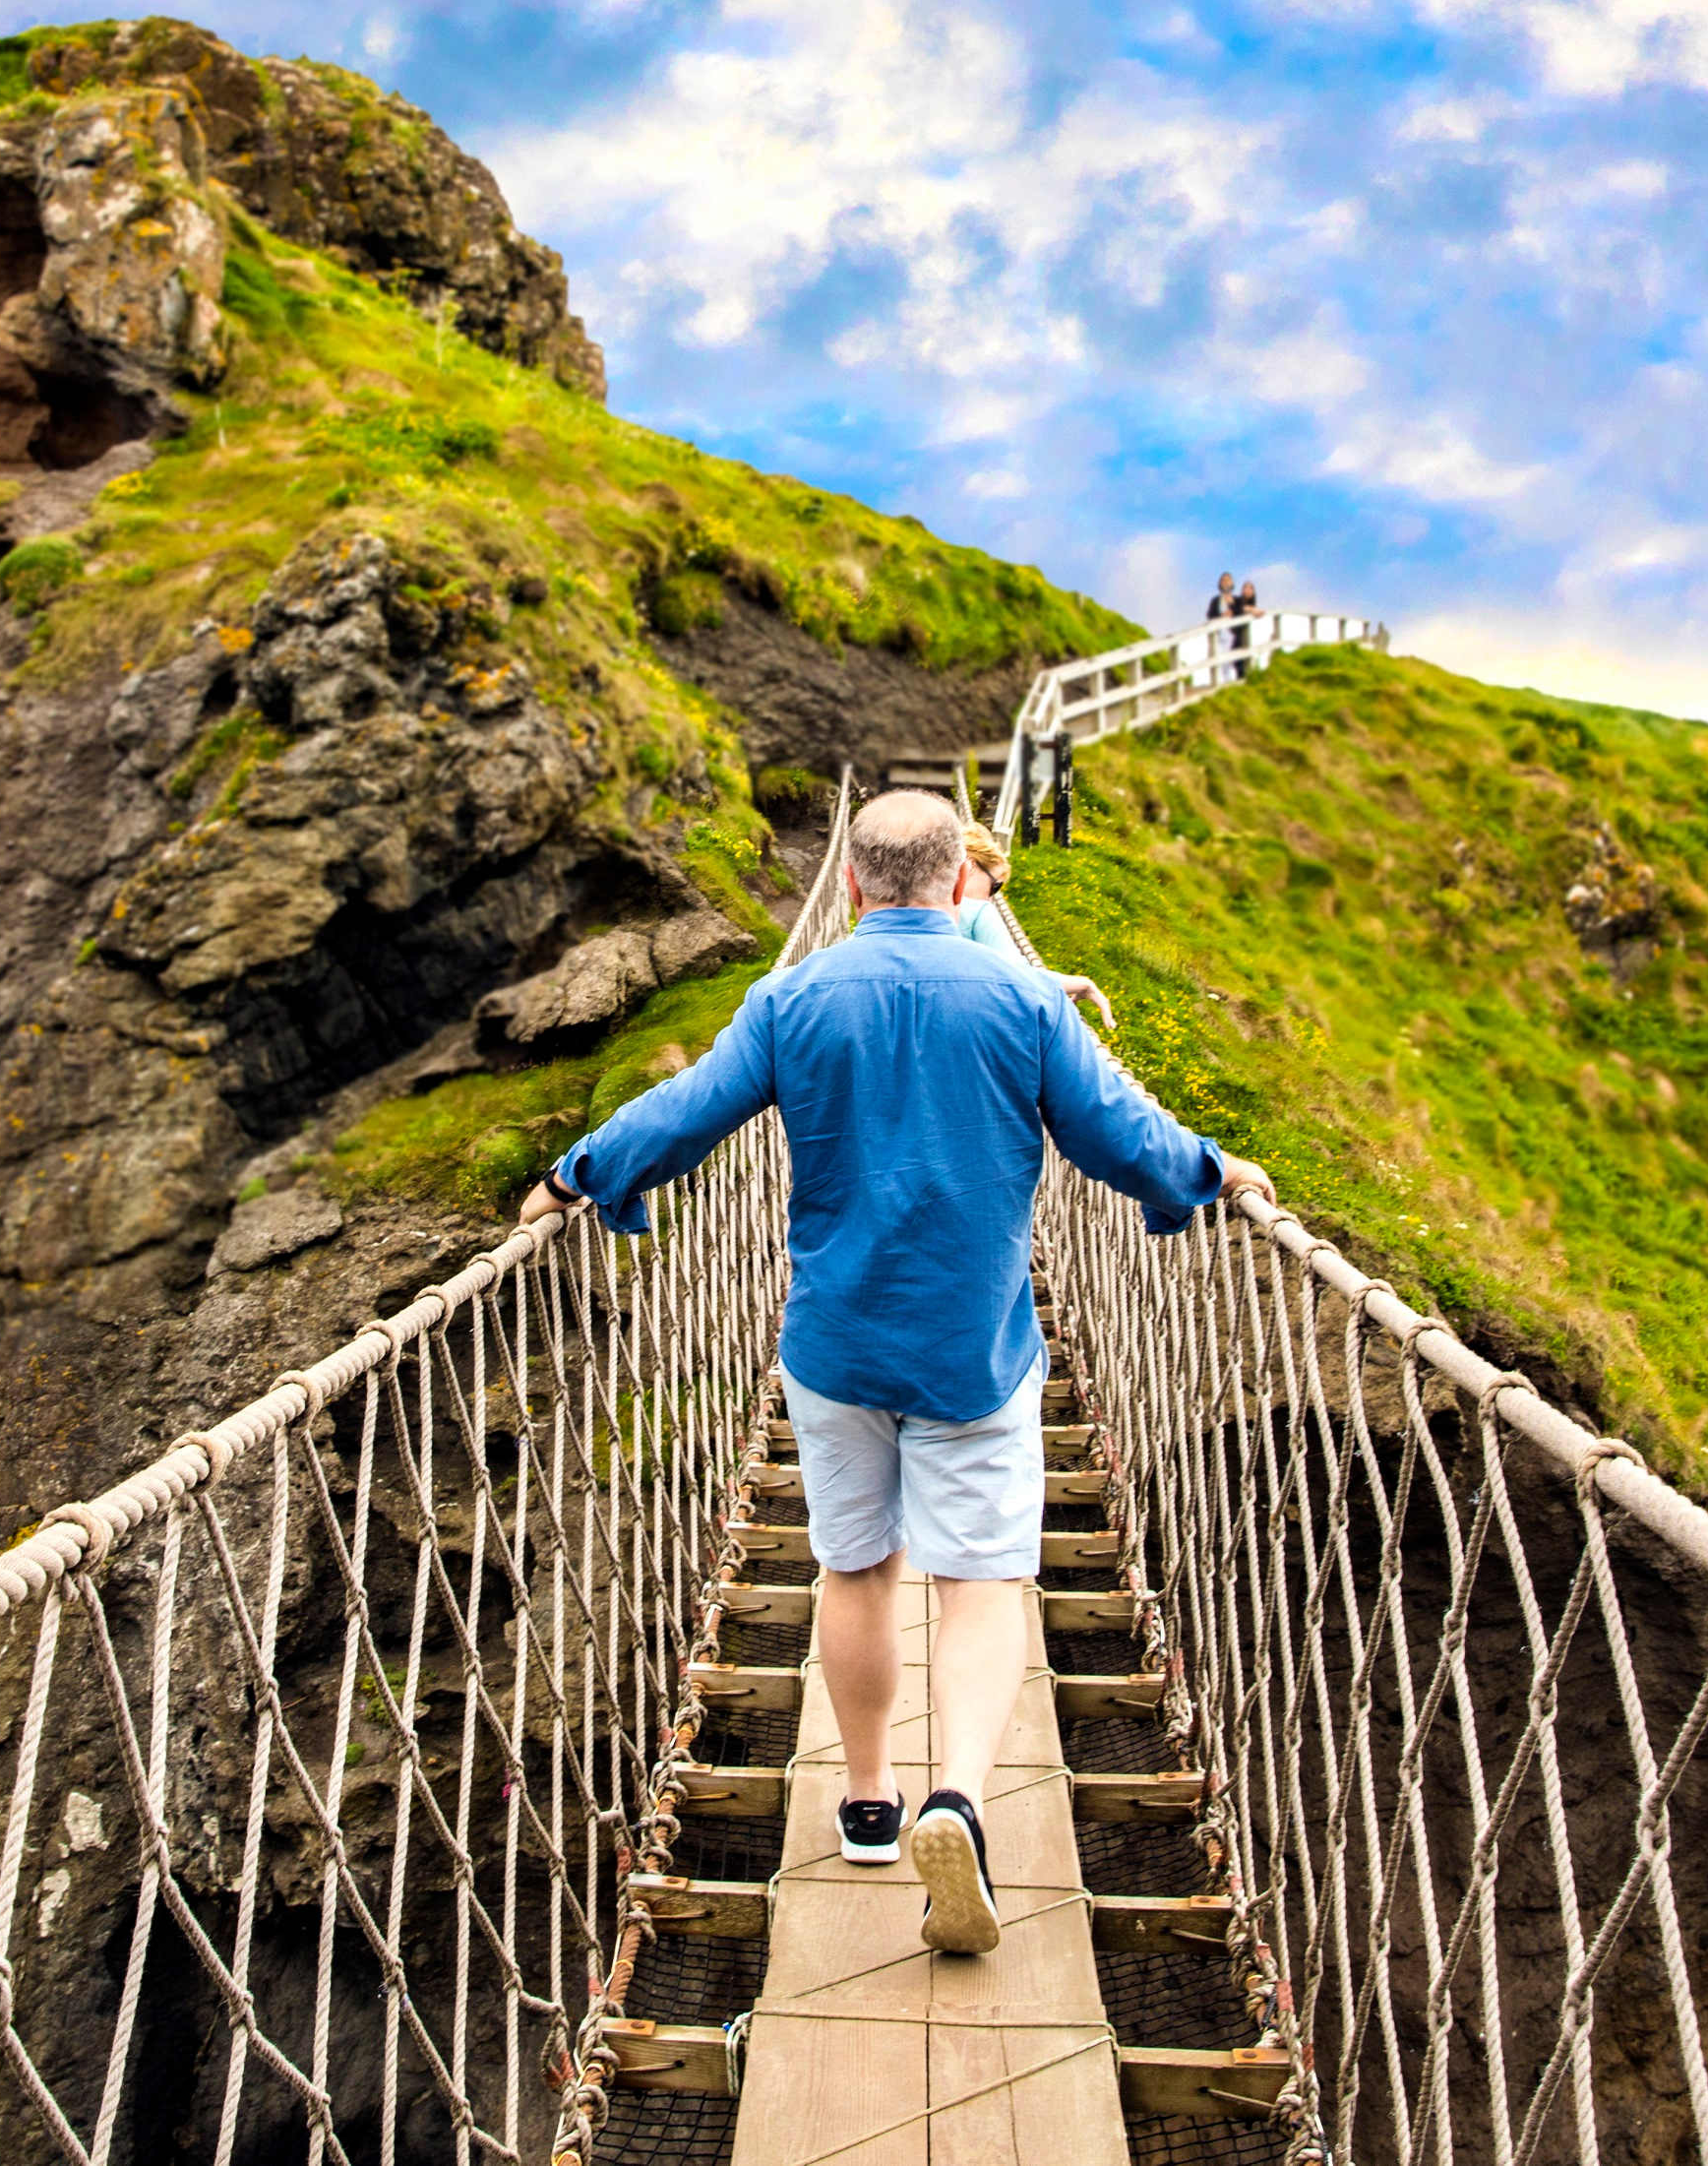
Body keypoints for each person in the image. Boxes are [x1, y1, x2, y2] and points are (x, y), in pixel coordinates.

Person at [521, 791, 1268, 1955]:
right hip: (972, 1348)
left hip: (834, 1346)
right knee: (975, 1584)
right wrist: (1213, 1174)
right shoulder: (1023, 998)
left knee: (855, 1567)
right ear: (956, 881)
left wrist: (577, 1174)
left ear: (854, 883)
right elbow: (1123, 1135)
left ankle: (866, 1800)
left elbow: (684, 1114)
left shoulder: (792, 996)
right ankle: (956, 1796)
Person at [953, 821, 1113, 1028]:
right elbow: (1020, 976)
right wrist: (1083, 983)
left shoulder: (918, 905)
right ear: (971, 865)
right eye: (995, 886)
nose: (992, 898)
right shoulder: (978, 913)